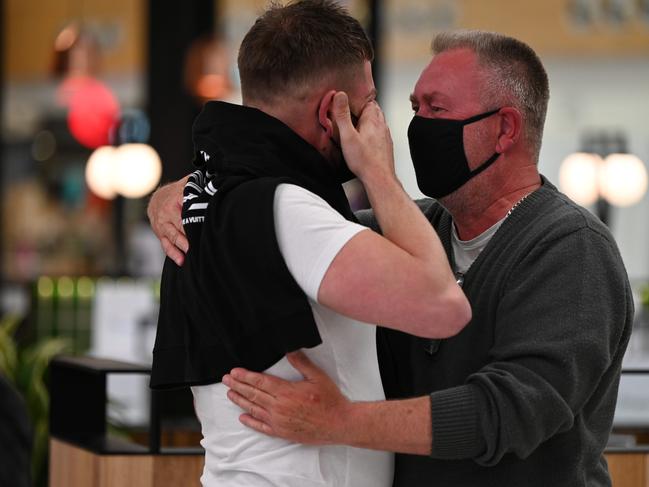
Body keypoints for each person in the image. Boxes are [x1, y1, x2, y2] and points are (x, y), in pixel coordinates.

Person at [149, 29, 634, 487]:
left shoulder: (572, 248)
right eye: (413, 107)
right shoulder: (413, 230)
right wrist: (183, 195)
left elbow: (509, 411)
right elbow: (287, 230)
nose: (415, 126)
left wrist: (339, 421)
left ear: (506, 128)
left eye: (436, 109)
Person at [149, 2, 470, 486]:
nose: (376, 122)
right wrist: (379, 171)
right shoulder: (287, 210)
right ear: (332, 113)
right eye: (369, 105)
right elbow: (445, 307)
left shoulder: (206, 197)